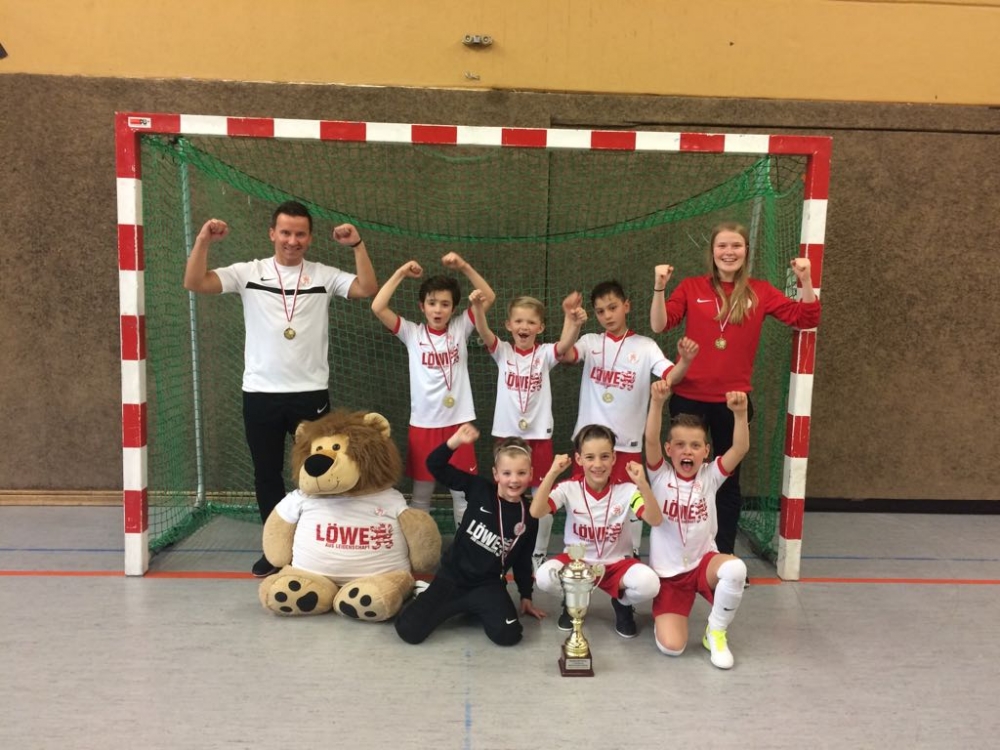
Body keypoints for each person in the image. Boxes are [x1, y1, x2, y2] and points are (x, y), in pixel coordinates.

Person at [182, 201, 378, 577]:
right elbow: (195, 282)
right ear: (272, 233)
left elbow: (367, 288)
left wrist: (357, 245)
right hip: (260, 394)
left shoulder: (322, 275)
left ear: (310, 238)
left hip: (311, 393)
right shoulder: (248, 272)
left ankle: (319, 546)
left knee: (321, 470)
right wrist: (203, 240)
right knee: (267, 473)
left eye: (300, 234)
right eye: (285, 232)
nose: (292, 240)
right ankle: (275, 550)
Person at [649, 222, 820, 556]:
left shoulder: (760, 292)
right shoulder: (691, 286)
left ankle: (723, 556)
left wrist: (806, 280)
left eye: (736, 246)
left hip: (733, 403)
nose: (729, 252)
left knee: (727, 484)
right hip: (688, 400)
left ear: (746, 251)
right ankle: (678, 553)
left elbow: (806, 317)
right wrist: (659, 288)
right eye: (723, 246)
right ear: (712, 252)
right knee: (680, 480)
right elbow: (660, 324)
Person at [563, 280, 698, 558]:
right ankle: (580, 557)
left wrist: (684, 361)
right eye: (600, 311)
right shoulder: (590, 341)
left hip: (627, 445)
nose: (607, 315)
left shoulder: (645, 346)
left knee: (632, 503)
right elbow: (565, 354)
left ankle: (630, 554)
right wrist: (571, 322)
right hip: (589, 447)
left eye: (613, 307)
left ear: (626, 306)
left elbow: (670, 376)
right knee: (583, 502)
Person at [371, 254, 495, 525]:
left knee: (462, 493)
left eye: (445, 304)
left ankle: (464, 544)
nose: (438, 310)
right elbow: (378, 306)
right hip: (424, 424)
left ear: (453, 308)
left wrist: (464, 266)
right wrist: (401, 272)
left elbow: (488, 296)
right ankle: (420, 545)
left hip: (458, 424)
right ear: (422, 306)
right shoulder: (412, 333)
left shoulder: (461, 328)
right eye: (432, 303)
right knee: (421, 494)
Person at [469, 289, 588, 572]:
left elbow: (565, 345)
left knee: (541, 495)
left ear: (540, 327)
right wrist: (478, 309)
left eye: (531, 322)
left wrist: (573, 321)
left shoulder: (545, 354)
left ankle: (538, 553)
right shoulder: (503, 351)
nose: (524, 327)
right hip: (507, 436)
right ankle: (500, 547)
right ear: (509, 325)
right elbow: (483, 331)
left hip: (538, 436)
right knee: (503, 493)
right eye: (519, 321)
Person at [394, 425, 545, 646]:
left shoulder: (529, 515)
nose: (514, 480)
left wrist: (526, 596)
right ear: (496, 474)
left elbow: (523, 560)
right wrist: (454, 442)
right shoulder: (479, 489)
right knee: (408, 631)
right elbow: (434, 465)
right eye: (507, 473)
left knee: (509, 636)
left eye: (521, 473)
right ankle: (436, 597)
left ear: (530, 474)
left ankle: (476, 607)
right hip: (452, 578)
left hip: (488, 585)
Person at [644, 379, 750, 669]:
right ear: (669, 449)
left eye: (694, 446)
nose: (687, 451)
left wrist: (740, 414)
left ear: (706, 451)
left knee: (735, 569)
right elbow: (650, 440)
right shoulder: (659, 475)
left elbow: (740, 448)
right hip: (670, 577)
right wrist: (657, 403)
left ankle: (715, 631)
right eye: (679, 445)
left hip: (703, 564)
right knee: (672, 648)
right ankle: (668, 615)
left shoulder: (710, 476)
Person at [530, 424, 663, 638]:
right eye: (590, 457)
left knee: (650, 584)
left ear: (614, 458)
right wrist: (553, 472)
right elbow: (536, 511)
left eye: (604, 456)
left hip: (616, 565)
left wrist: (643, 484)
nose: (598, 464)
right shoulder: (568, 488)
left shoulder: (628, 490)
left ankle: (622, 603)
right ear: (579, 459)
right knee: (544, 576)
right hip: (577, 565)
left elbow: (655, 520)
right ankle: (572, 600)